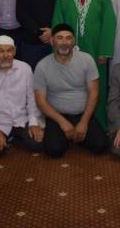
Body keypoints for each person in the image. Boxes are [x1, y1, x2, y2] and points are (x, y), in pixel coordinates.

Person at [52, 0, 116, 131]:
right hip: (67, 51)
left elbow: (109, 24)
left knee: (96, 86)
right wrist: (59, 47)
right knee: (69, 85)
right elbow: (58, 22)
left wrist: (104, 51)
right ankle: (69, 122)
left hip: (95, 50)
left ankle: (98, 125)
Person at [33, 24, 109, 158]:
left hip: (83, 114)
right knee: (53, 150)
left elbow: (94, 93)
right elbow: (40, 102)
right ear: (52, 41)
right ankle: (72, 137)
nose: (64, 43)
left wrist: (84, 122)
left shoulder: (87, 60)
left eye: (68, 38)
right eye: (60, 38)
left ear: (73, 41)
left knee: (101, 146)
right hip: (57, 116)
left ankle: (74, 136)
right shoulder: (42, 65)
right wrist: (62, 122)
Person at [0, 35, 43, 159]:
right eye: (1, 51)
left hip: (21, 119)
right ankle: (8, 137)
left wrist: (33, 122)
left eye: (9, 51)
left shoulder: (25, 68)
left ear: (14, 52)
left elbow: (32, 98)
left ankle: (13, 138)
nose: (6, 55)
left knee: (38, 144)